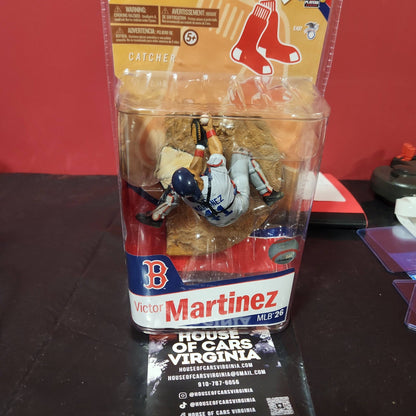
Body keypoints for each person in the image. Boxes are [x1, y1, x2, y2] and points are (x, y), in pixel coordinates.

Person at [136, 116, 282, 228]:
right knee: (241, 153)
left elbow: (193, 172)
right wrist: (209, 128)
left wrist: (200, 146)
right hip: (238, 205)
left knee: (174, 188)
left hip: (216, 222)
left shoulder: (186, 197)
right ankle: (267, 194)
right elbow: (217, 150)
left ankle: (157, 216)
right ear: (197, 179)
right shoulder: (216, 181)